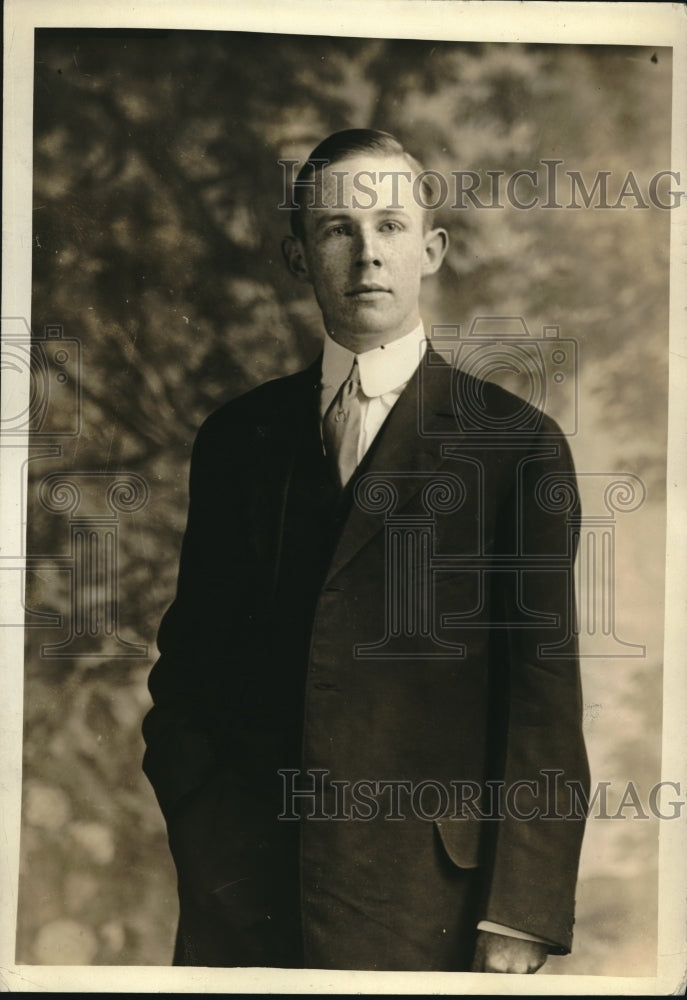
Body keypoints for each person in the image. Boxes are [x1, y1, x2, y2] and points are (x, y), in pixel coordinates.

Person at [142, 129, 589, 973]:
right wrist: (208, 834)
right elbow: (191, 670)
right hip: (246, 900)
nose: (365, 255)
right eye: (336, 229)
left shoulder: (514, 447)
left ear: (431, 249)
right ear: (298, 256)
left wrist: (518, 913)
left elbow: (542, 696)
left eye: (388, 226)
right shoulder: (238, 439)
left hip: (432, 906)